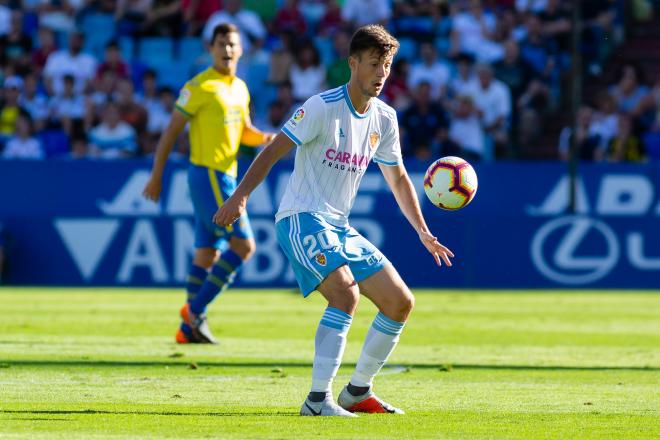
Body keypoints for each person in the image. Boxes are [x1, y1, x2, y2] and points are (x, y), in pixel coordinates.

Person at [213, 24, 454, 417]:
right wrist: (240, 197)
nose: (381, 74)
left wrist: (424, 232)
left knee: (399, 302)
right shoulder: (322, 107)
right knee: (346, 294)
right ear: (353, 63)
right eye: (375, 64)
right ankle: (316, 400)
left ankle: (358, 392)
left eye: (388, 66)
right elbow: (273, 151)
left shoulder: (385, 119)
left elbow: (397, 178)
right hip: (301, 216)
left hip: (339, 225)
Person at [142, 23, 275, 344]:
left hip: (224, 174)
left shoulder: (240, 87)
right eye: (221, 44)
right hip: (210, 174)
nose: (227, 50)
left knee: (206, 253)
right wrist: (157, 175)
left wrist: (269, 139)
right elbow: (171, 132)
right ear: (210, 49)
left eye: (232, 44)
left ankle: (189, 331)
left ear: (241, 49)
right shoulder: (199, 86)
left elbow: (244, 131)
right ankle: (195, 310)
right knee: (244, 246)